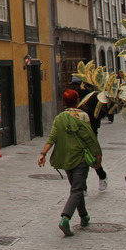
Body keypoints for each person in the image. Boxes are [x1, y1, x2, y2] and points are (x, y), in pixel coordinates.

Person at [38, 89, 103, 237]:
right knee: (77, 190)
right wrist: (97, 154)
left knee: (76, 188)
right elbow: (89, 137)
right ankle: (65, 218)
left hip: (66, 159)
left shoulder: (60, 118)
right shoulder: (83, 116)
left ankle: (84, 216)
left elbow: (52, 137)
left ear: (64, 102)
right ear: (78, 100)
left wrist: (43, 154)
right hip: (80, 158)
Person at [77, 87, 109, 191]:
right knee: (80, 158)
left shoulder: (94, 96)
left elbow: (102, 113)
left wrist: (86, 110)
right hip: (77, 130)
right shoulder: (75, 95)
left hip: (91, 130)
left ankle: (102, 175)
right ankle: (83, 187)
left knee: (91, 156)